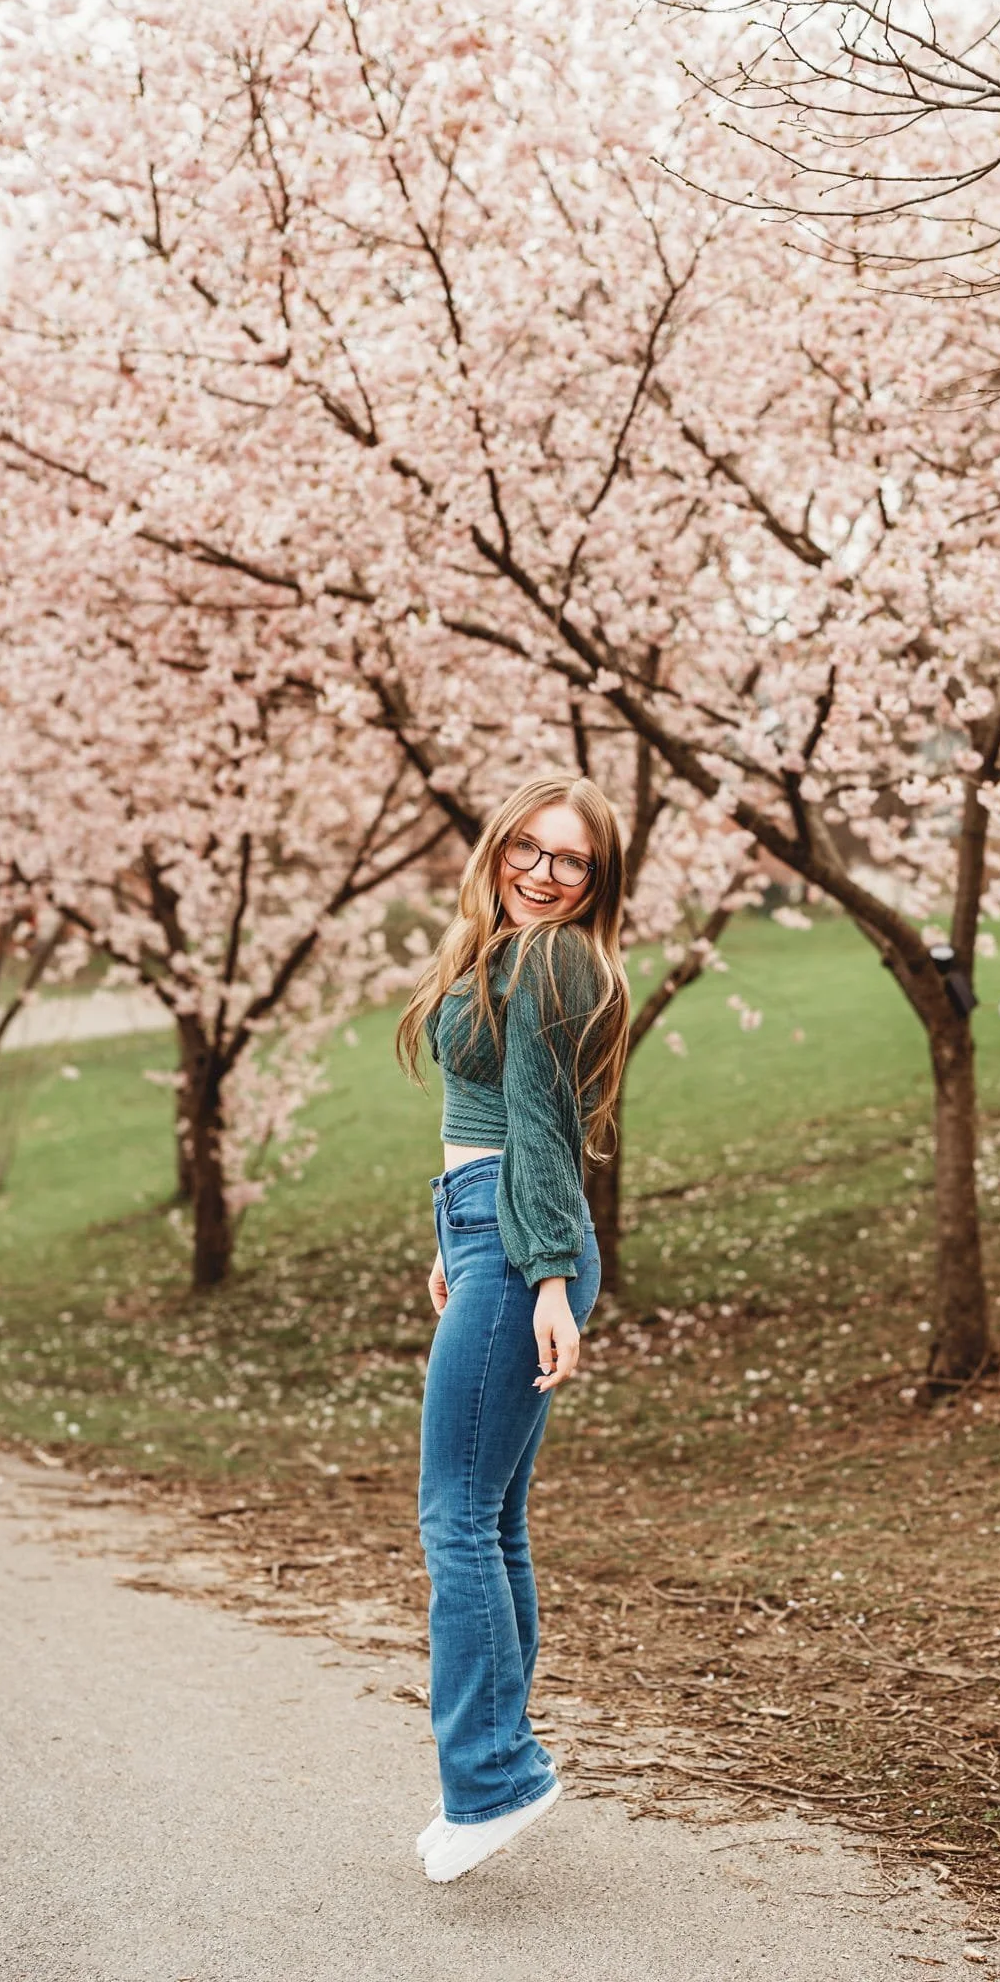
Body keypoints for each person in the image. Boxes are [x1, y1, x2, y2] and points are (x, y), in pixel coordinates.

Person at [395, 775, 629, 1883]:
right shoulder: (506, 949)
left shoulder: (550, 957)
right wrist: (450, 1231)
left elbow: (542, 1123)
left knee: (454, 1516)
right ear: (497, 849)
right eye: (527, 847)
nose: (542, 871)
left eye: (569, 858)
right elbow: (478, 1115)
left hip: (520, 1233)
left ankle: (494, 1775)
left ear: (596, 878)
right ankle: (494, 1770)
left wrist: (540, 1275)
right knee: (491, 1521)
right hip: (487, 1225)